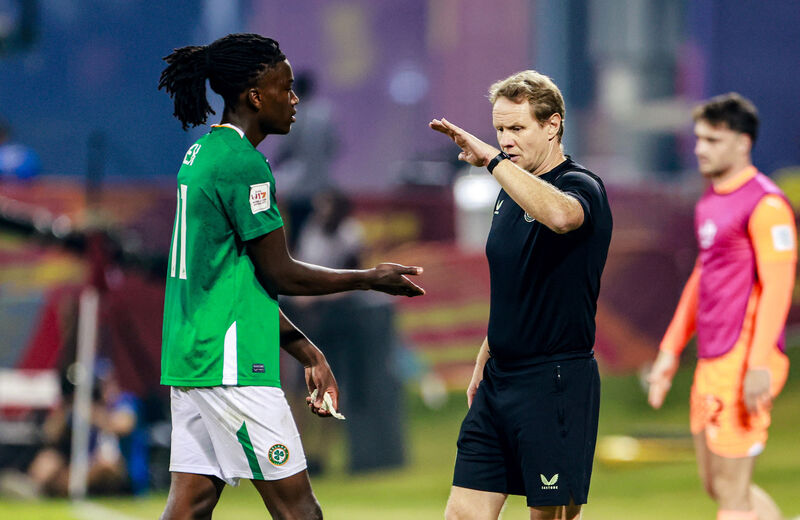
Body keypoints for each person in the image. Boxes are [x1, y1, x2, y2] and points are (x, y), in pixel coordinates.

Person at [157, 33, 424, 520]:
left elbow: (235, 282)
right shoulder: (244, 165)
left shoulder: (203, 154)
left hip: (195, 356)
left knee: (190, 505)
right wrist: (370, 277)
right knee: (300, 511)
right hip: (231, 367)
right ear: (256, 96)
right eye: (287, 87)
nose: (296, 100)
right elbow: (282, 273)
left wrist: (307, 350)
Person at [429, 70, 612, 520]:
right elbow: (519, 286)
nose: (506, 139)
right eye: (499, 130)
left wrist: (493, 161)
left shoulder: (580, 184)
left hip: (555, 381)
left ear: (553, 126)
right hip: (499, 380)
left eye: (517, 128)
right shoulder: (507, 195)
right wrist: (485, 357)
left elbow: (562, 217)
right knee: (462, 514)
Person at [648, 93, 796, 520]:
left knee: (732, 495)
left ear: (743, 143)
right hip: (713, 360)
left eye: (712, 139)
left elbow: (779, 285)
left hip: (744, 357)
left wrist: (758, 364)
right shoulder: (711, 201)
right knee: (722, 487)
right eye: (698, 138)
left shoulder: (766, 205)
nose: (699, 148)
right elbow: (702, 278)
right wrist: (669, 351)